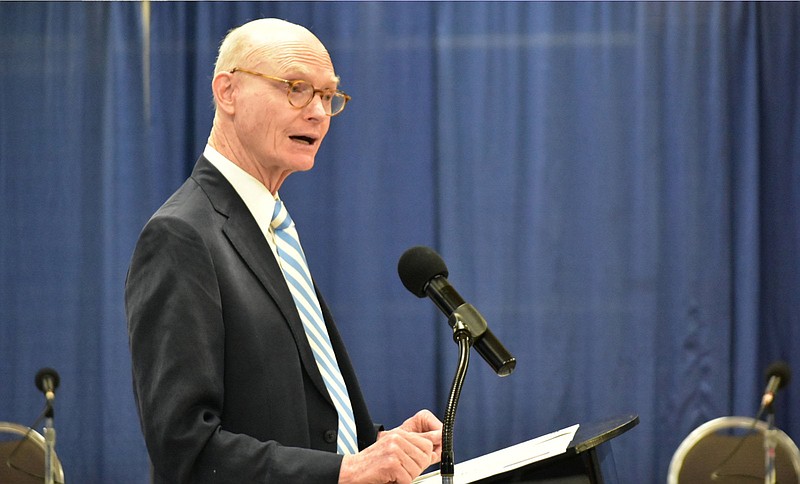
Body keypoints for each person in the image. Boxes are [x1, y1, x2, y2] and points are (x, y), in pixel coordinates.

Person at [125, 18, 442, 483]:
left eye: (328, 95)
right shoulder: (181, 236)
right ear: (227, 91)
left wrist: (374, 447)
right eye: (296, 88)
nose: (317, 111)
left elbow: (291, 422)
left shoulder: (271, 227)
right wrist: (345, 471)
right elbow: (185, 449)